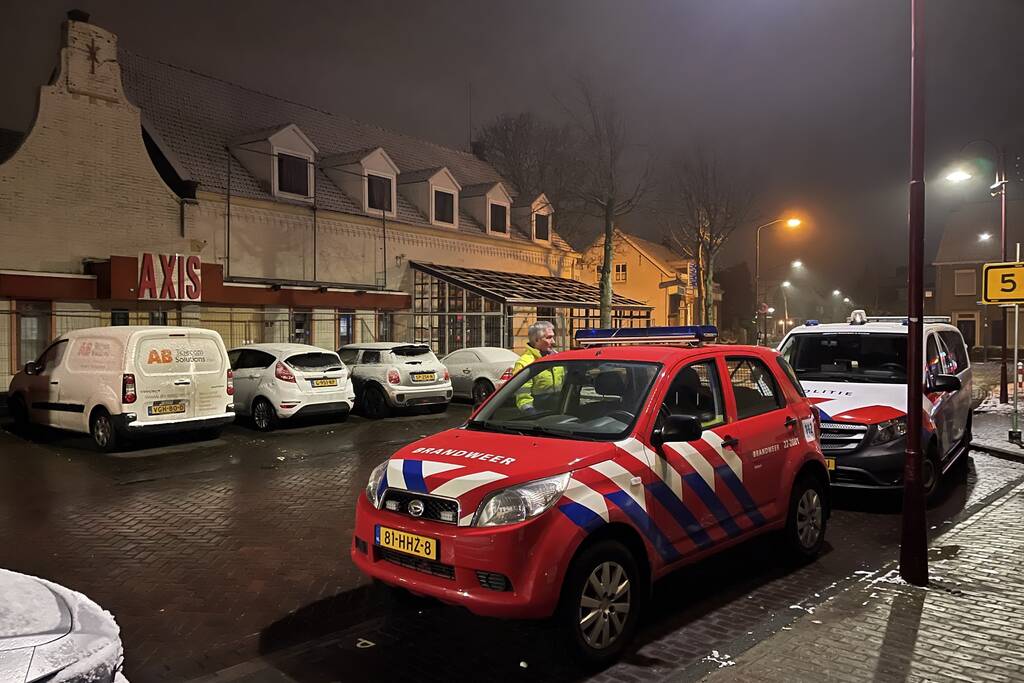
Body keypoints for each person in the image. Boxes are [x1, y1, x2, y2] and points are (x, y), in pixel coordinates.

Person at [513, 321, 564, 412]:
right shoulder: (525, 363)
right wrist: (529, 411)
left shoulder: (558, 357)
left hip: (561, 409)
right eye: (549, 338)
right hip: (539, 414)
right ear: (536, 340)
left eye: (553, 337)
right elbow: (522, 395)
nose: (553, 341)